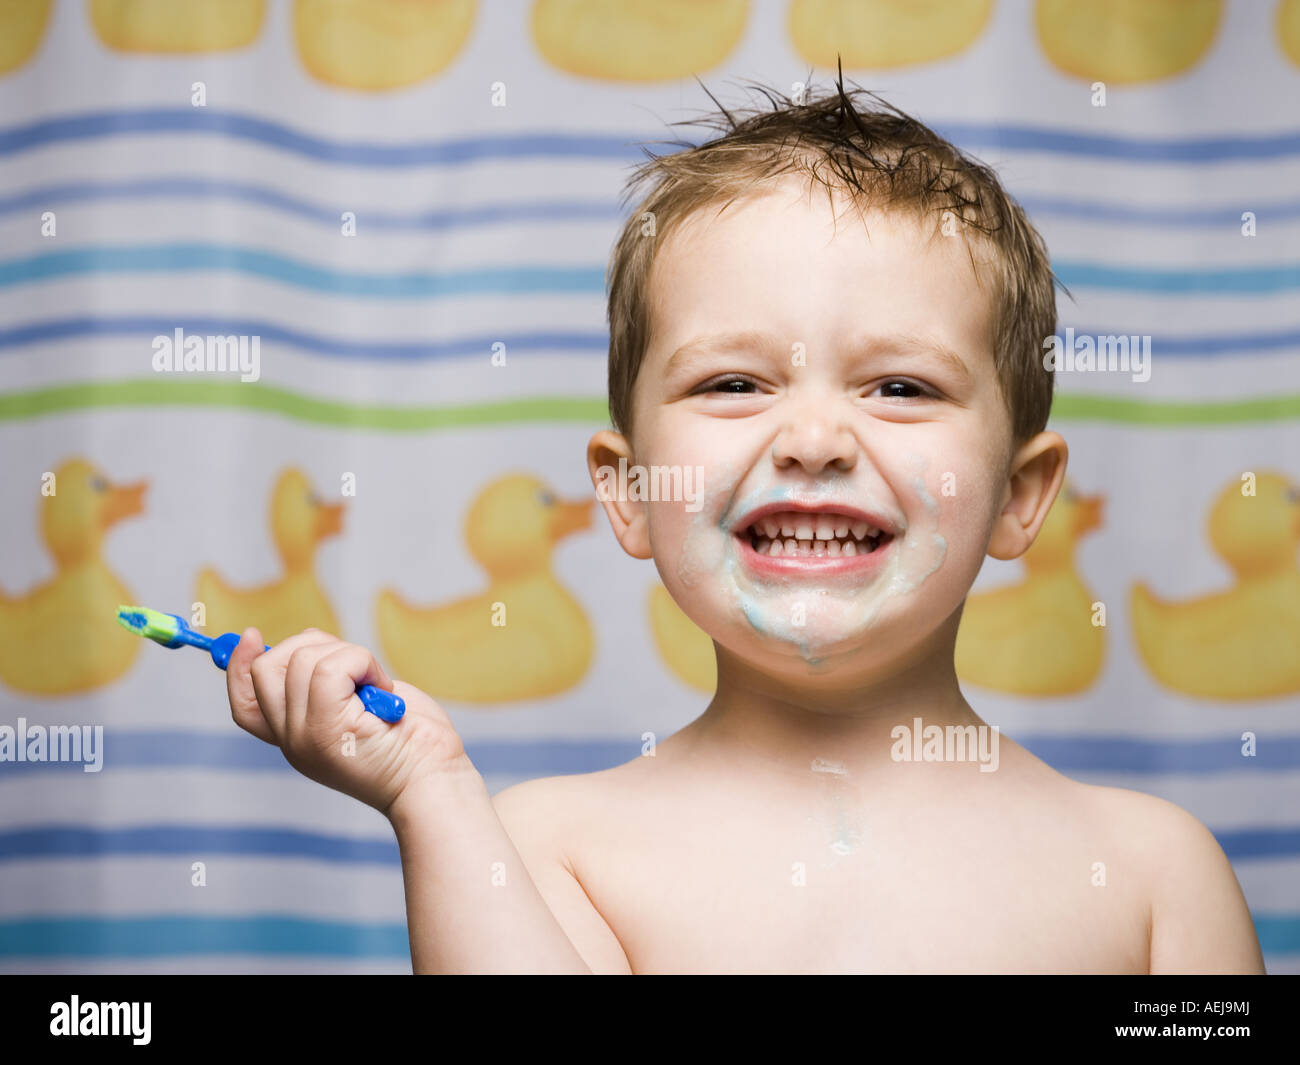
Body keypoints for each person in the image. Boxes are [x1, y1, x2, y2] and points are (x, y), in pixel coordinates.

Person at [224, 77, 1266, 974]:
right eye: (733, 381)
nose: (813, 436)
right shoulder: (544, 848)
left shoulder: (1149, 874)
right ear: (626, 493)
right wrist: (430, 793)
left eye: (899, 386)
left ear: (1018, 496)